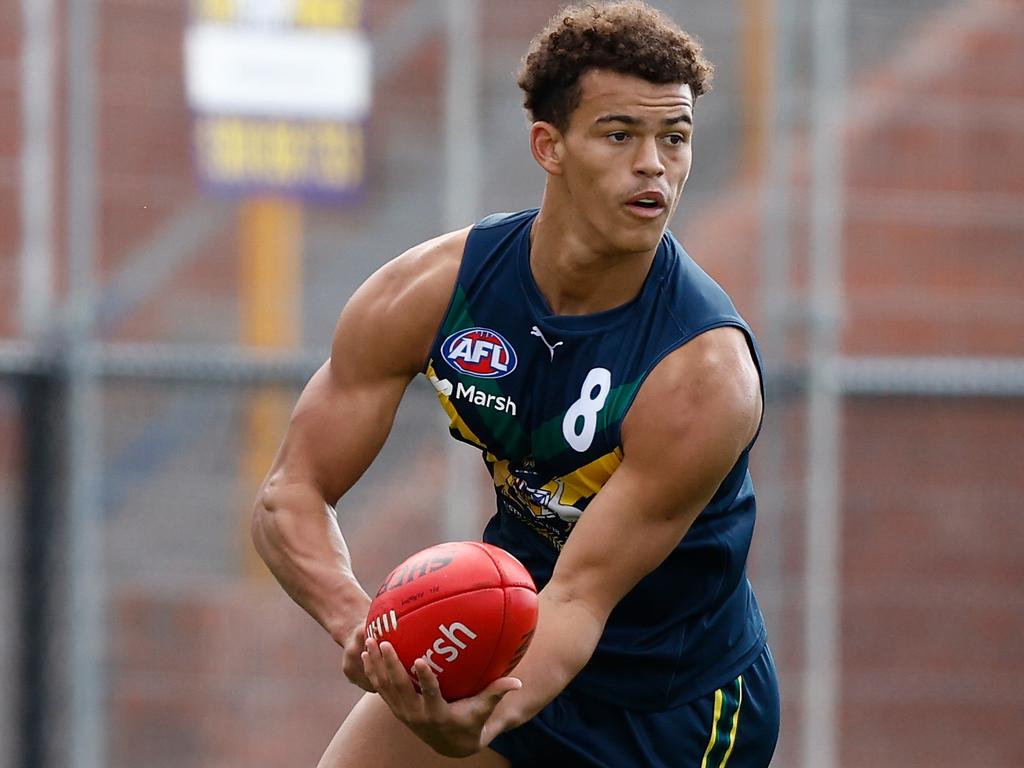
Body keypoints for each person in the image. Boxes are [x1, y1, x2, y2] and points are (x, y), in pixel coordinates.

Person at [252, 2, 780, 766]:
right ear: (549, 145)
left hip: (677, 708)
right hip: (506, 636)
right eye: (619, 134)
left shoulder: (702, 374)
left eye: (675, 137)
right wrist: (365, 631)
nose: (654, 166)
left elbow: (581, 595)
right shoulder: (435, 291)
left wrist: (484, 714)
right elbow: (289, 493)